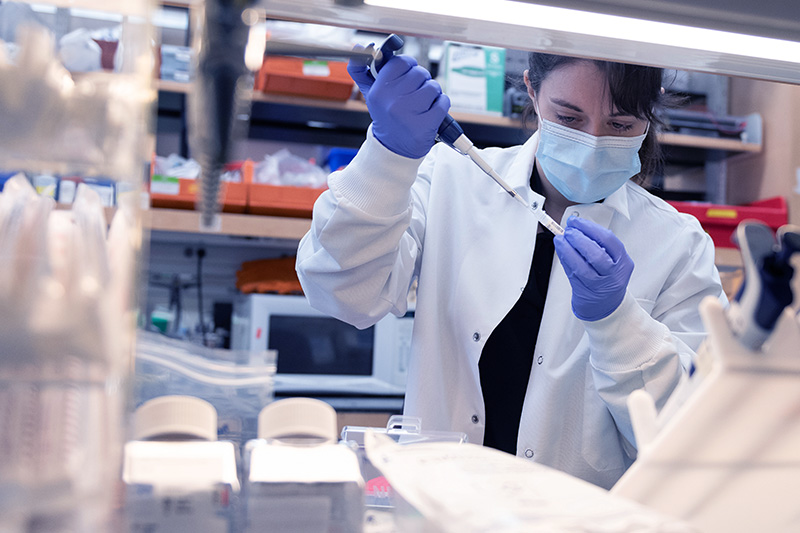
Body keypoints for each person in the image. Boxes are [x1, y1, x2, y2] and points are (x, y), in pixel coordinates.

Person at [295, 48, 724, 489]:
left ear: (647, 120)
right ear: (534, 93)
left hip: (575, 519)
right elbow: (342, 292)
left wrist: (618, 323)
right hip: (441, 506)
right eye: (570, 118)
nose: (593, 142)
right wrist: (387, 156)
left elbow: (689, 436)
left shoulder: (678, 244)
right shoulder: (451, 180)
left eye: (620, 125)